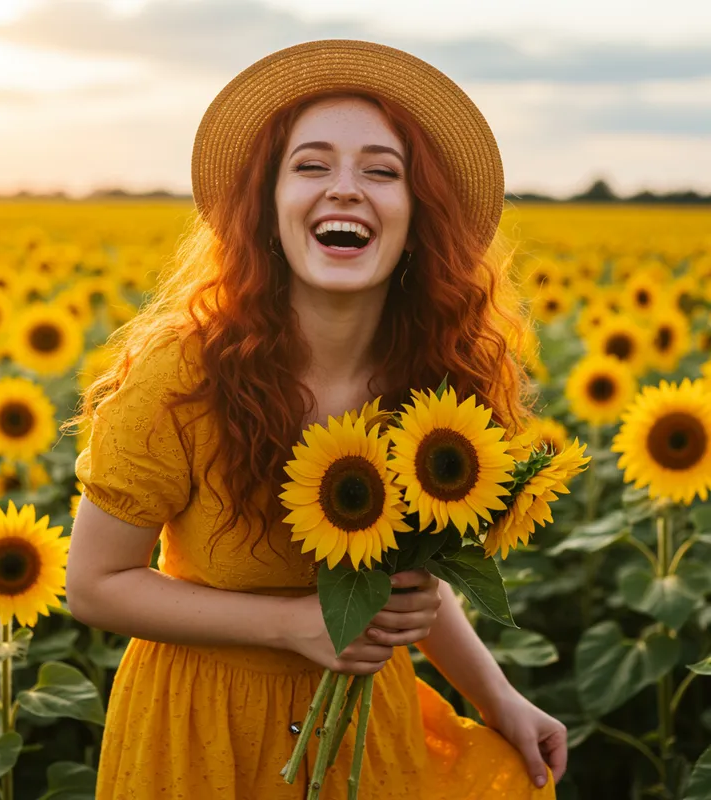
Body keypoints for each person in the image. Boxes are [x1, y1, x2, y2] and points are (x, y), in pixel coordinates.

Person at [65, 39, 567, 799]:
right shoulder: (184, 375)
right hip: (203, 735)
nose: (345, 189)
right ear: (266, 207)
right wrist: (295, 624)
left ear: (418, 217)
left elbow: (407, 582)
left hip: (369, 727)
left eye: (380, 170)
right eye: (311, 165)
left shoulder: (436, 384)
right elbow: (96, 584)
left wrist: (498, 696)